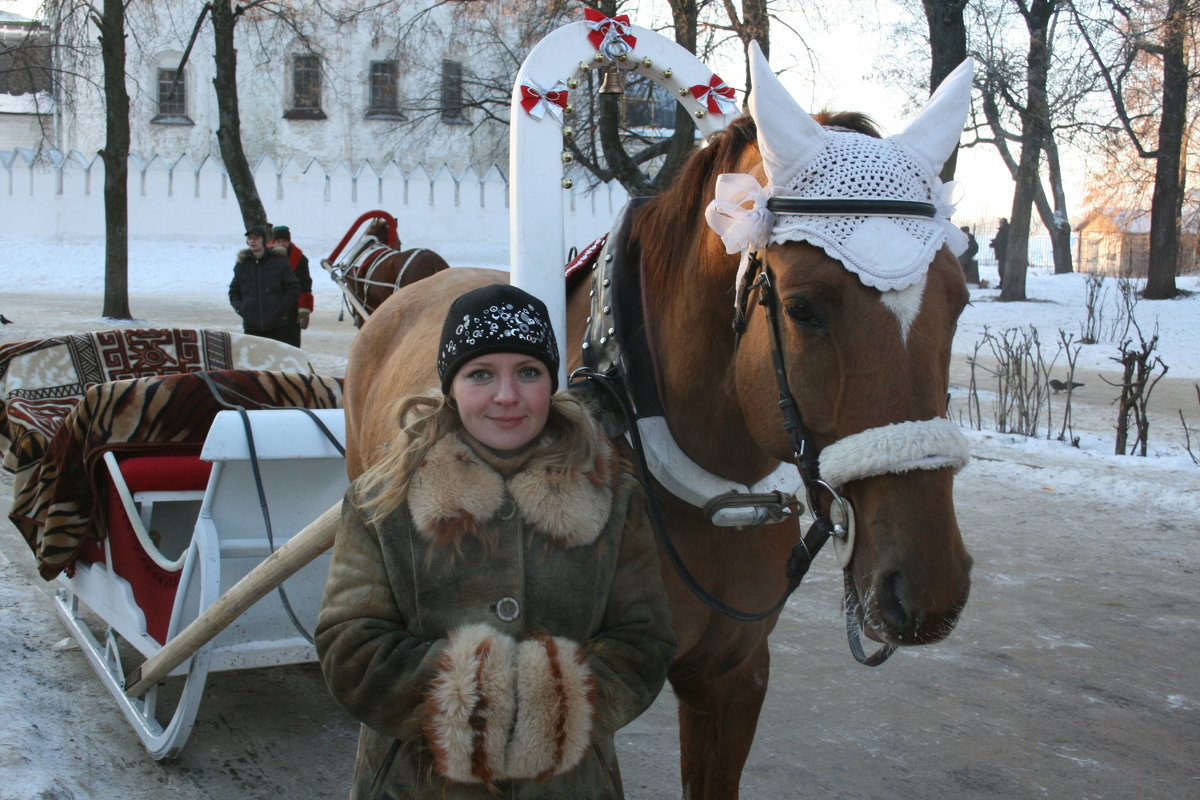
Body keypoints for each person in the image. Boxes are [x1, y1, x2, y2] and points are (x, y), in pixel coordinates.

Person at [316, 284, 676, 800]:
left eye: (527, 373)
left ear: (550, 383)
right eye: (480, 373)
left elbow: (643, 642)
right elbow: (351, 647)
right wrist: (478, 708)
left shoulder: (614, 499)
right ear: (452, 385)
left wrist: (550, 714)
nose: (506, 396)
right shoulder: (383, 501)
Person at [229, 225, 301, 345]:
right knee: (254, 360)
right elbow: (234, 291)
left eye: (256, 238)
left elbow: (294, 288)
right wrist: (241, 308)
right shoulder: (242, 264)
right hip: (251, 326)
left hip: (277, 325)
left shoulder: (279, 262)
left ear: (263, 240)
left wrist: (280, 306)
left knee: (277, 360)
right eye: (250, 238)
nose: (253, 241)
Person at [270, 224, 315, 341]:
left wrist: (304, 308)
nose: (281, 244)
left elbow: (305, 283)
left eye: (284, 241)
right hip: (269, 307)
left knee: (290, 340)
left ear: (289, 241)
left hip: (291, 307)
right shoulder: (264, 256)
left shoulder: (300, 259)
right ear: (273, 241)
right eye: (278, 241)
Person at [990, 217, 1010, 289]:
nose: (999, 223)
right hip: (1001, 253)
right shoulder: (1004, 230)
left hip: (1003, 254)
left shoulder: (1004, 230)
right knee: (1001, 270)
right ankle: (1002, 284)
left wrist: (994, 243)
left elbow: (1002, 242)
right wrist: (994, 242)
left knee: (1002, 270)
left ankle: (1003, 284)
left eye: (1000, 222)